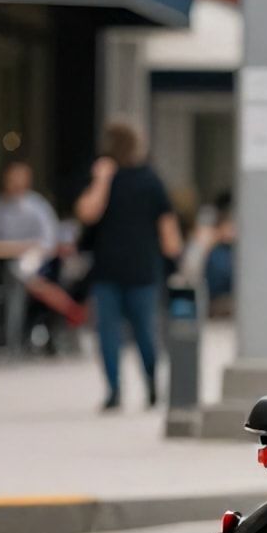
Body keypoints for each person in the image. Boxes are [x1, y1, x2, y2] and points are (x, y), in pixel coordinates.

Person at [75, 122, 182, 411]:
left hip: (120, 270)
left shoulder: (137, 179)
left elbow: (85, 213)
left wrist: (100, 179)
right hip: (136, 270)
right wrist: (177, 262)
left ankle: (118, 391)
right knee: (141, 332)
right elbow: (169, 232)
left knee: (114, 334)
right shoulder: (149, 179)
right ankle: (144, 386)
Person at [0, 160, 59, 250]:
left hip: (30, 257)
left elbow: (50, 238)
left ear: (27, 180)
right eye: (12, 178)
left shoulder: (38, 206)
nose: (15, 182)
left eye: (19, 177)